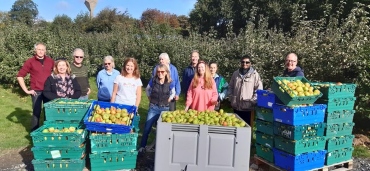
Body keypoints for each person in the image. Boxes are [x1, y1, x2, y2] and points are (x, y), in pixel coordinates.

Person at [17, 43, 54, 131]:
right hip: (36, 91)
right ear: (35, 50)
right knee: (36, 112)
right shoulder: (30, 61)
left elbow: (57, 73)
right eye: (39, 49)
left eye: (42, 49)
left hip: (48, 91)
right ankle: (35, 133)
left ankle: (48, 131)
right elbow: (20, 76)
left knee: (48, 112)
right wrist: (26, 90)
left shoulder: (50, 61)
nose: (41, 51)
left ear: (45, 51)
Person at [140, 64, 175, 153]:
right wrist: (149, 98)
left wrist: (170, 98)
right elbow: (147, 89)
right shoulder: (153, 81)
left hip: (165, 109)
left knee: (164, 130)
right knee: (147, 128)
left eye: (162, 72)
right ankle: (142, 147)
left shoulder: (170, 82)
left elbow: (173, 92)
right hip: (154, 107)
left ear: (166, 73)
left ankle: (163, 149)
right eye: (158, 72)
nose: (160, 73)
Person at [228, 55, 263, 126]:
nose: (245, 64)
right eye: (243, 62)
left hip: (248, 108)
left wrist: (253, 101)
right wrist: (231, 97)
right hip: (236, 106)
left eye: (247, 62)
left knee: (247, 127)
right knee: (236, 126)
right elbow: (230, 87)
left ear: (250, 63)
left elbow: (259, 89)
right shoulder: (235, 74)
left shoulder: (254, 75)